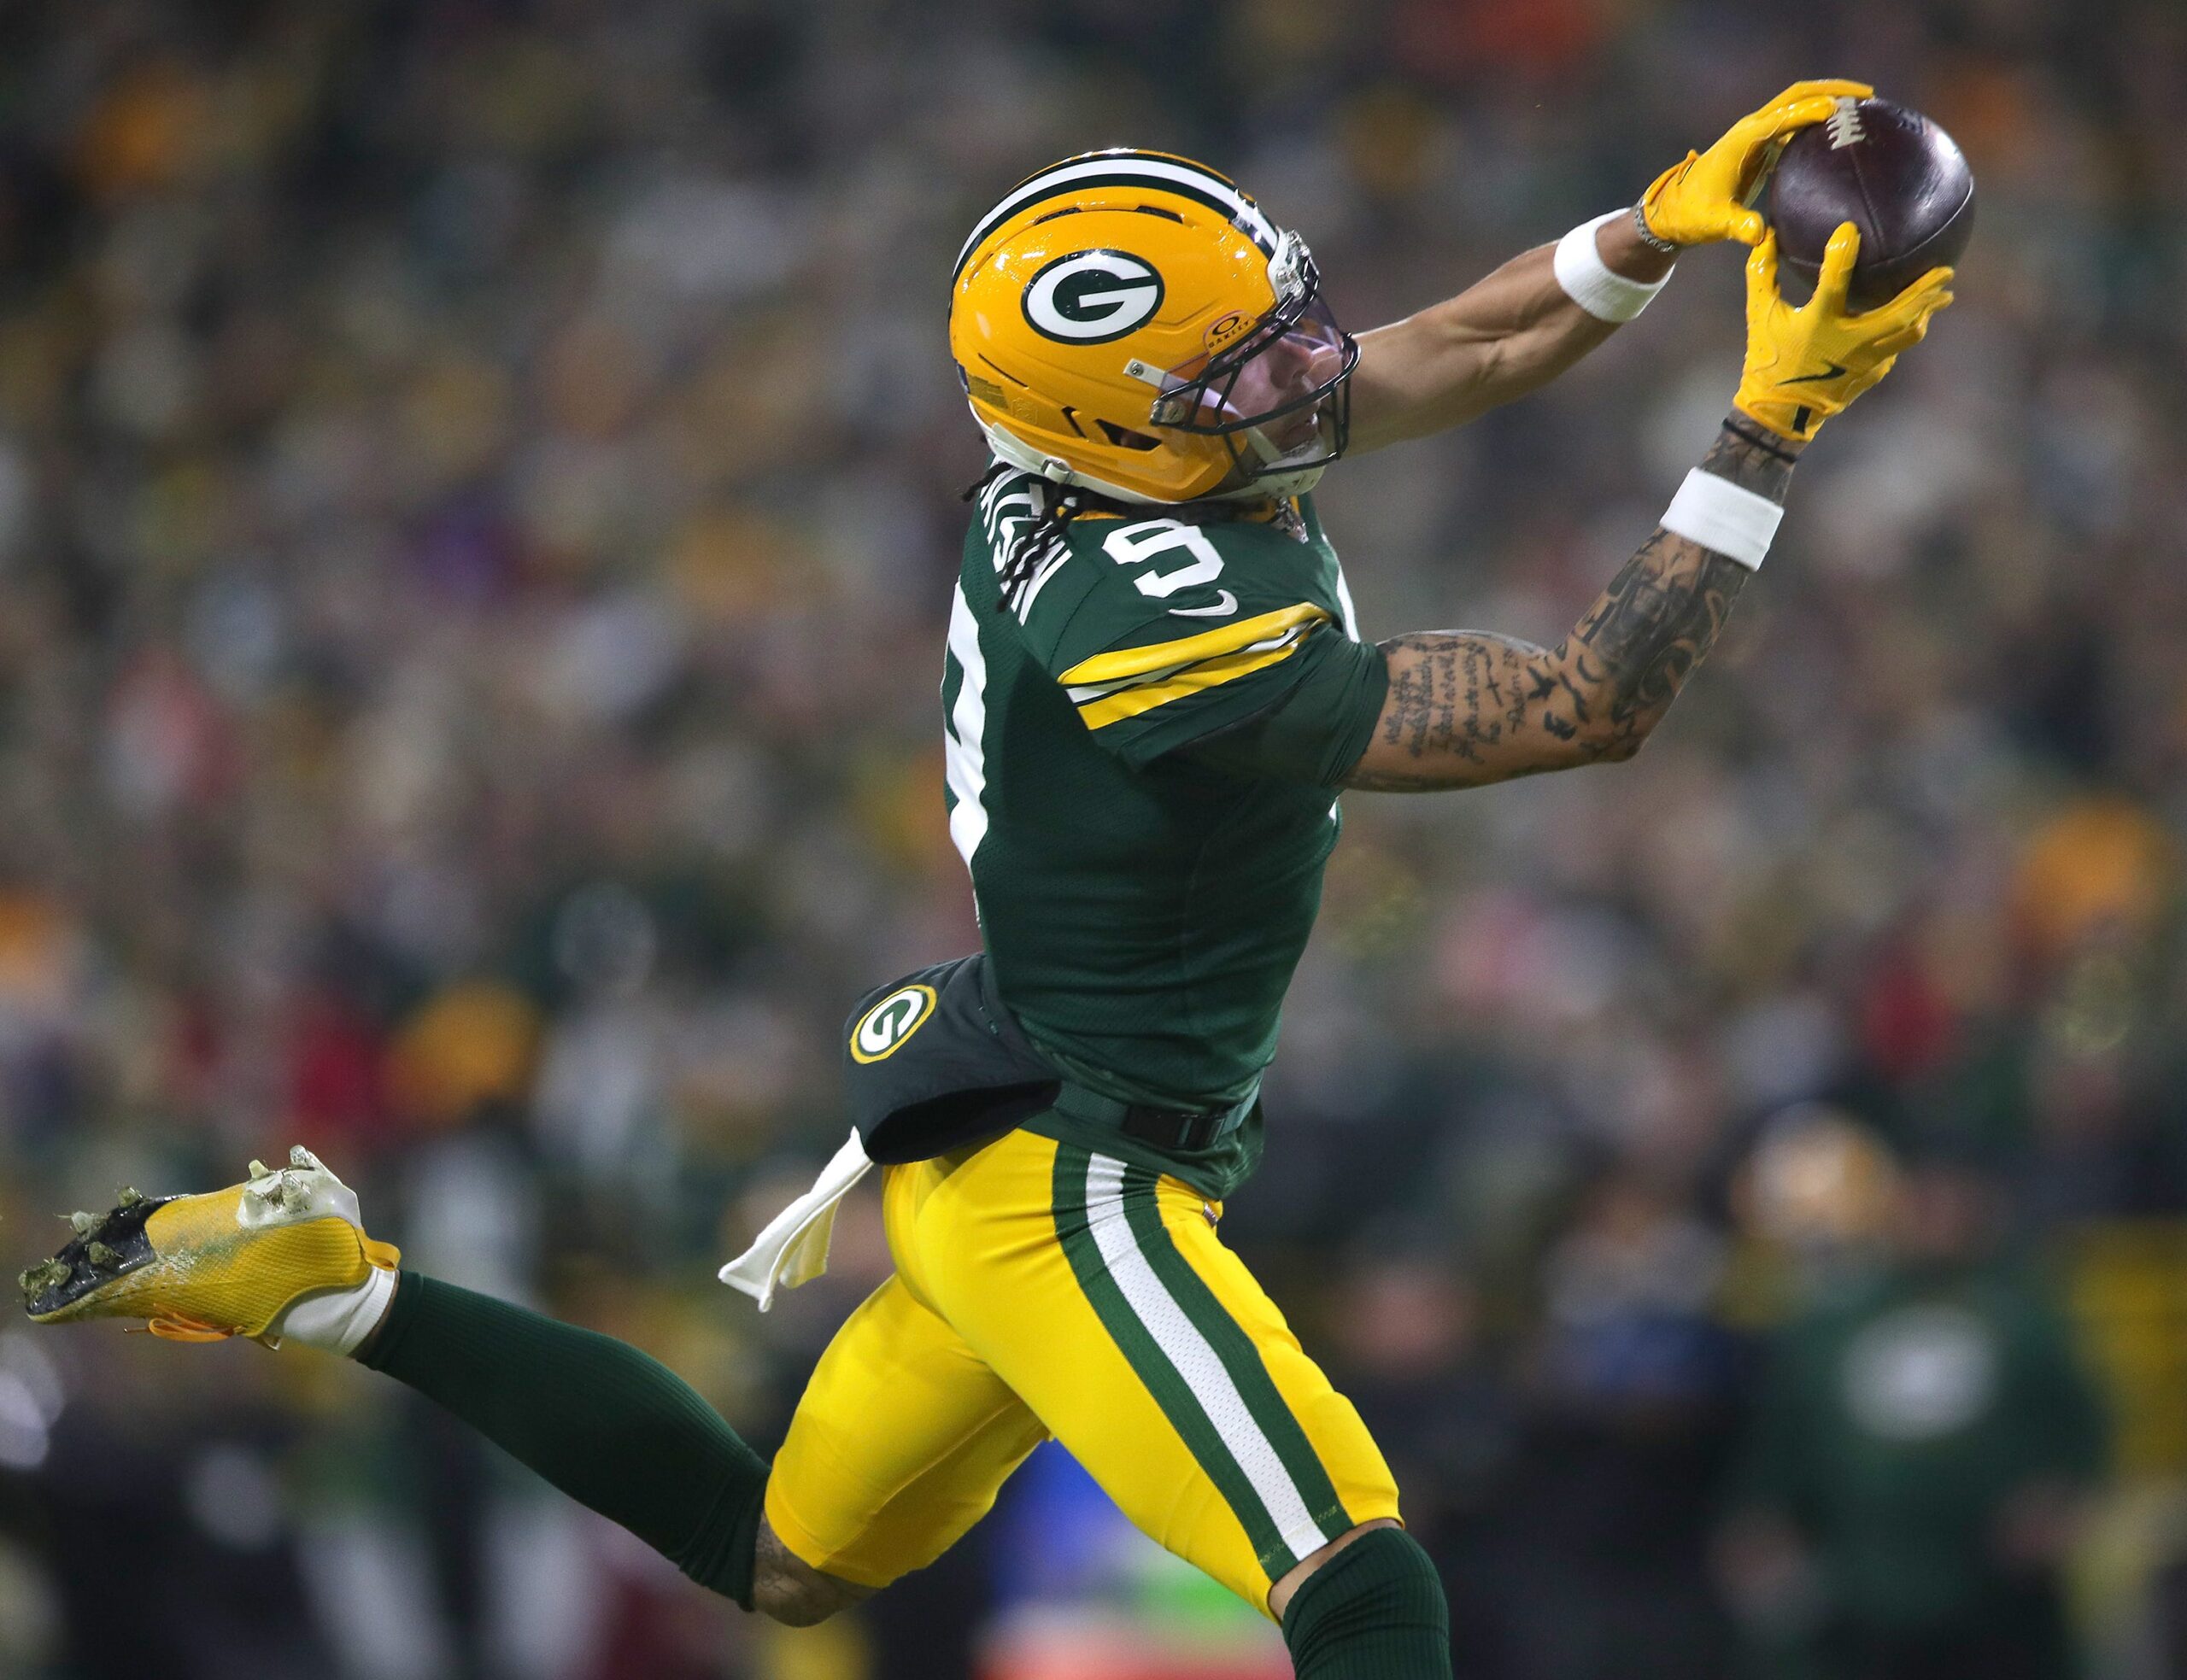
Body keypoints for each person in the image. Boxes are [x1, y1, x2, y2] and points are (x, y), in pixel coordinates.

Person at [21, 82, 1954, 1680]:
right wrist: (1769, 420)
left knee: (775, 1554)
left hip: (1000, 1119)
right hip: (1077, 1176)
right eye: (1239, 367)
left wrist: (1653, 225)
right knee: (1365, 1587)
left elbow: (1431, 352)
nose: (1292, 373)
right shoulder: (1148, 599)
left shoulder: (1103, 463)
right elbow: (1584, 704)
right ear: (1131, 418)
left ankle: (331, 1290)